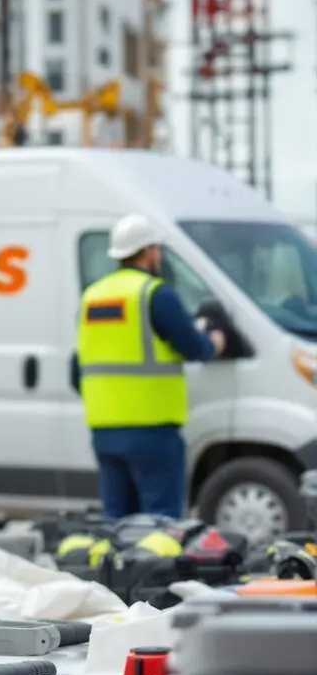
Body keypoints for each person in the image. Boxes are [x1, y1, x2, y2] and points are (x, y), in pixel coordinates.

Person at [74, 214, 223, 519]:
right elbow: (193, 348)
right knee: (160, 521)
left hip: (104, 431)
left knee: (117, 521)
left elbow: (77, 370)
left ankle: (117, 569)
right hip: (153, 430)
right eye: (157, 249)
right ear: (149, 251)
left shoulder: (91, 297)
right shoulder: (155, 294)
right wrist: (215, 342)